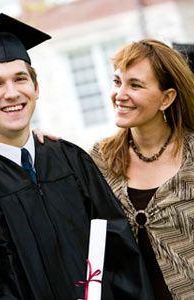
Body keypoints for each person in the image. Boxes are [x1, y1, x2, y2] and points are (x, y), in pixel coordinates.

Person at [0, 13, 154, 300]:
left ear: (36, 88)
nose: (12, 93)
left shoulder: (70, 160)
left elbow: (122, 256)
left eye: (20, 79)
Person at [90, 38, 194, 299]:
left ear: (167, 98)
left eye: (135, 85)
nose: (120, 95)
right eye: (117, 82)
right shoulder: (98, 161)